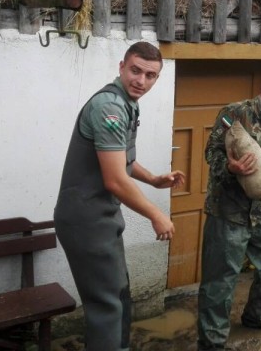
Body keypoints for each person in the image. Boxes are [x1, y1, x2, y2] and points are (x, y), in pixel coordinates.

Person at [54, 42, 185, 351]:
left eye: (151, 75)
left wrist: (153, 179)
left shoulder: (127, 103)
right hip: (87, 219)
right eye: (135, 70)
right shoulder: (110, 107)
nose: (141, 81)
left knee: (117, 296)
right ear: (121, 67)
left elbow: (120, 159)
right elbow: (114, 179)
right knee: (108, 305)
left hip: (99, 216)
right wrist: (156, 214)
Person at [197, 68, 261, 351]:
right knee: (220, 281)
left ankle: (256, 316)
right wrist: (231, 168)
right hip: (227, 212)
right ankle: (212, 342)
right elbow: (212, 153)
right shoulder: (235, 113)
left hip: (260, 212)